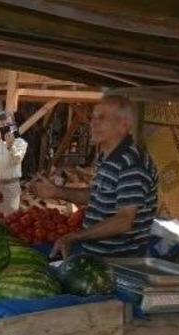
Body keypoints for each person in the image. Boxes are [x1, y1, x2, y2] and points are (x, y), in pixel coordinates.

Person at [29, 95, 158, 259]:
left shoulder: (130, 164)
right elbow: (96, 195)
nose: (93, 123)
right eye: (93, 117)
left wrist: (75, 236)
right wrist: (56, 191)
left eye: (102, 118)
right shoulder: (108, 157)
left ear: (124, 125)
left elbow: (124, 220)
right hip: (97, 256)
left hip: (118, 263)